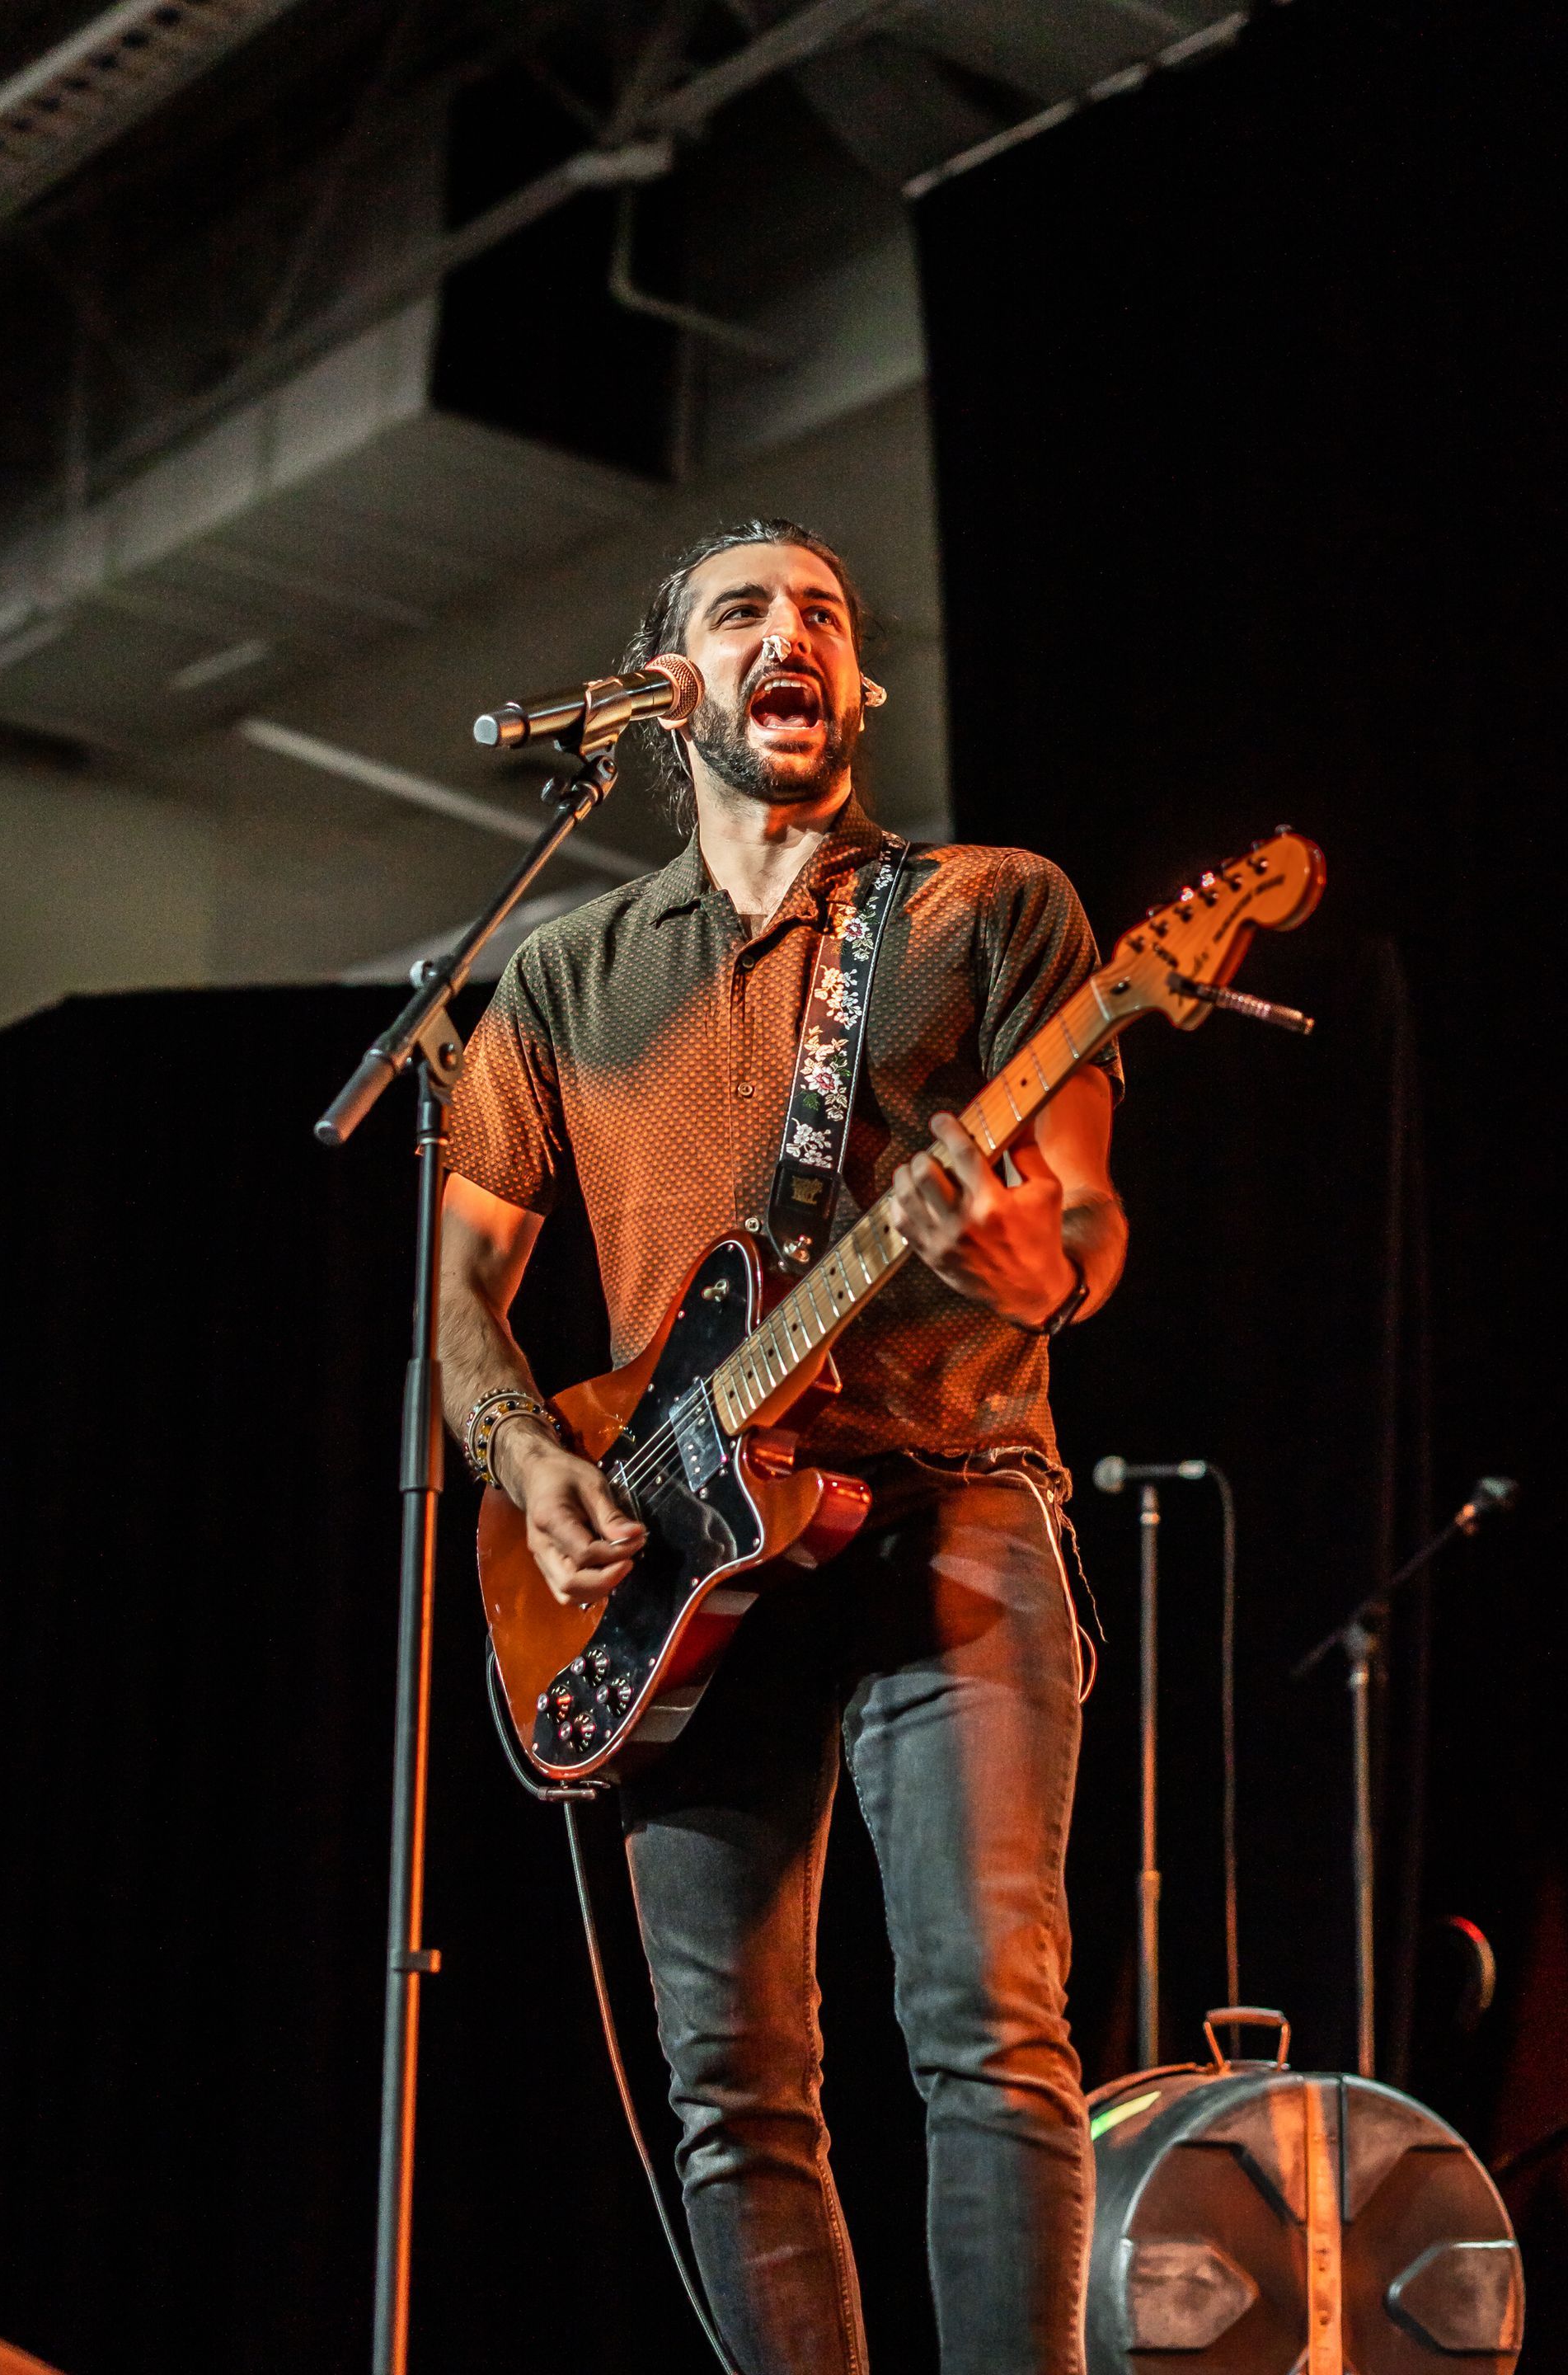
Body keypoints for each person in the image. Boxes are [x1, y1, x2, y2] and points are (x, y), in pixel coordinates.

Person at [439, 519, 1128, 2375]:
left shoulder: (994, 906)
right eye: (743, 612)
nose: (789, 635)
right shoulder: (564, 973)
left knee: (988, 2027)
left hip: (948, 1498)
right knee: (732, 2084)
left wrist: (1030, 1261)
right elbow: (465, 1299)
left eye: (822, 613)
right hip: (685, 1552)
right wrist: (524, 1459)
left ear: (856, 686)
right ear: (673, 690)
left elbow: (1085, 1220)